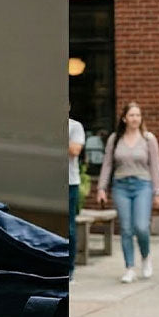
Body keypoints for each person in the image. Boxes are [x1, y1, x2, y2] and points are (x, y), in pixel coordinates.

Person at [96, 103, 159, 283]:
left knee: (141, 227)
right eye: (132, 115)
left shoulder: (148, 139)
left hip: (143, 185)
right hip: (120, 186)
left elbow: (155, 167)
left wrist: (158, 192)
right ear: (124, 118)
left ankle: (146, 255)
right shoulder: (115, 139)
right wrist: (102, 188)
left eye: (138, 115)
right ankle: (129, 268)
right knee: (125, 229)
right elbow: (108, 164)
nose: (135, 118)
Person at [68, 115, 85, 283]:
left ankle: (69, 268)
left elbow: (74, 150)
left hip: (70, 183)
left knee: (69, 227)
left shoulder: (75, 126)